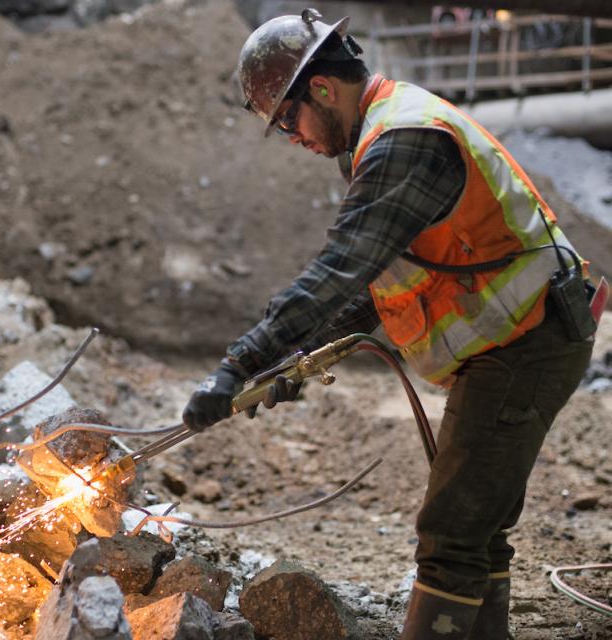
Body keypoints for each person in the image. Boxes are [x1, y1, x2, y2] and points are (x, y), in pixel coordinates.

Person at [181, 8, 596, 640]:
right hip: (519, 339)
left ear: (321, 89)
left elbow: (339, 271)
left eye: (288, 119)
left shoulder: (406, 140)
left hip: (529, 339)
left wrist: (239, 361)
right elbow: (375, 290)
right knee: (473, 524)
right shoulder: (383, 136)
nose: (292, 137)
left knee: (453, 529)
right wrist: (287, 362)